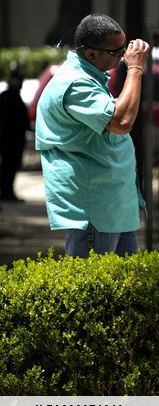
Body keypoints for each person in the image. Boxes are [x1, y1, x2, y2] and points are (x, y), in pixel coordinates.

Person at [35, 14, 149, 258]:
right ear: (91, 54)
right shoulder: (75, 84)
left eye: (125, 48)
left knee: (122, 289)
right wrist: (136, 69)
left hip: (113, 206)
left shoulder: (92, 78)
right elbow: (122, 121)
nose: (123, 57)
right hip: (94, 210)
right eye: (116, 51)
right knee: (94, 291)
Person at [0, 68, 29, 202]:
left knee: (11, 166)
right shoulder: (7, 97)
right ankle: (6, 192)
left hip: (15, 140)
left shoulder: (14, 97)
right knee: (7, 166)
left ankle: (8, 191)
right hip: (8, 140)